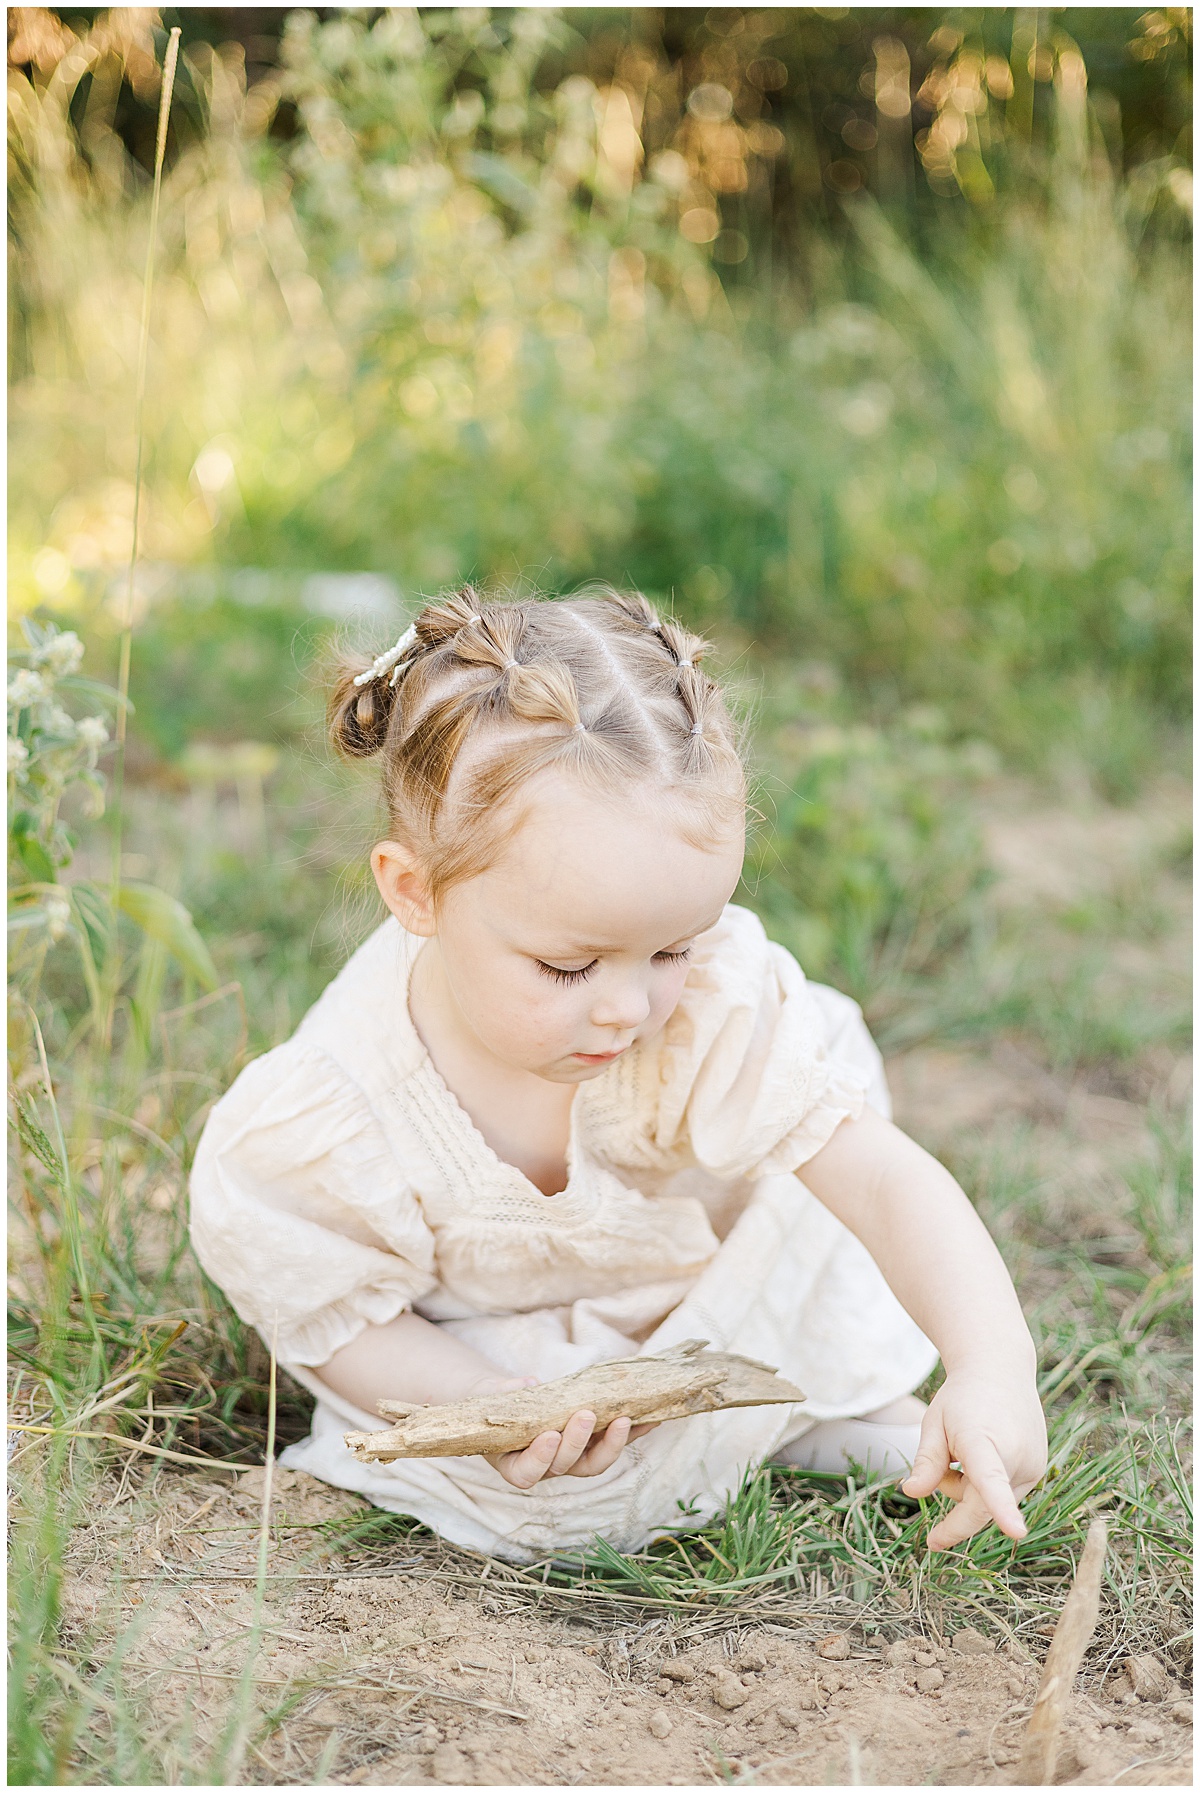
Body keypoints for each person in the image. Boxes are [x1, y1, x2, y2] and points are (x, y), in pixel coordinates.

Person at [189, 586, 1046, 1563]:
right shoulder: (342, 1104)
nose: (629, 1008)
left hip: (713, 1255)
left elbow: (884, 1181)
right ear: (415, 891)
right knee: (537, 1476)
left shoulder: (707, 1016)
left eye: (674, 947)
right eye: (569, 966)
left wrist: (993, 1363)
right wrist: (485, 1404)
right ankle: (784, 1428)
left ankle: (798, 1412)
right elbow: (343, 1313)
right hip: (502, 1330)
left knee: (801, 1230)